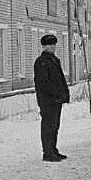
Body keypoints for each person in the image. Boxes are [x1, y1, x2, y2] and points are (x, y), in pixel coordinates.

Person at [33, 34, 70, 162]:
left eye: (54, 44)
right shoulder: (41, 62)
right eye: (50, 45)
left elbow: (60, 79)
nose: (53, 47)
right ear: (44, 46)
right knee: (48, 126)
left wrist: (64, 93)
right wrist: (57, 92)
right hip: (47, 100)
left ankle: (53, 149)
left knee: (55, 125)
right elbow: (43, 83)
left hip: (56, 99)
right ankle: (47, 152)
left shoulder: (54, 60)